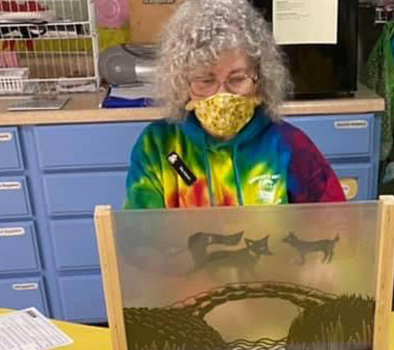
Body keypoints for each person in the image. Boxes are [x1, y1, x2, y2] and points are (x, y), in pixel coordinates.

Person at [125, 0, 346, 209]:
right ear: (182, 83)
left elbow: (335, 227)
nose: (222, 94)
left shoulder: (289, 146)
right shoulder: (157, 147)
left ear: (260, 79)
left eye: (238, 79)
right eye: (205, 80)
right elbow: (141, 238)